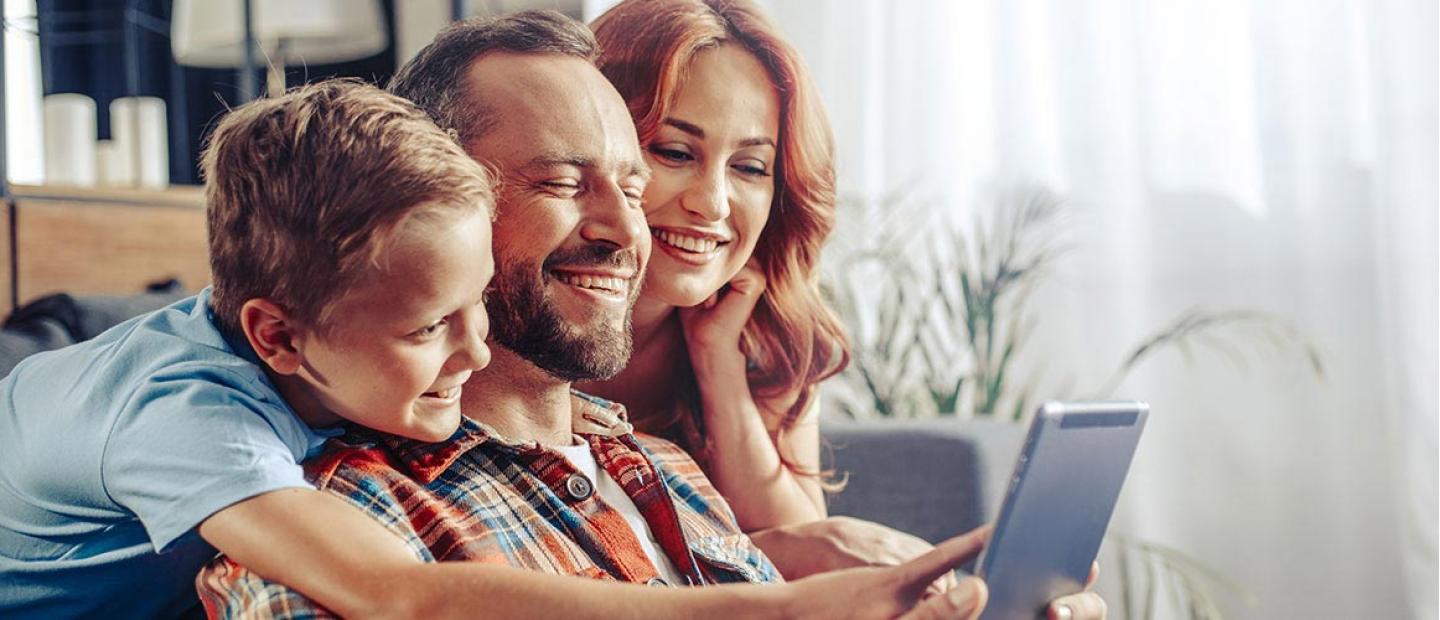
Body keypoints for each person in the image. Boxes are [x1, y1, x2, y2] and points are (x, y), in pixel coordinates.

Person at [201, 11, 1000, 619]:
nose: (629, 230)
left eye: (628, 183)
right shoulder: (333, 527)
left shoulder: (666, 472)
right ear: (432, 196)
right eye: (558, 182)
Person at [0, 81, 496, 617]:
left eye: (480, 298)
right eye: (427, 328)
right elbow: (397, 594)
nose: (479, 352)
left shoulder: (313, 343)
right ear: (277, 337)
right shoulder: (187, 419)